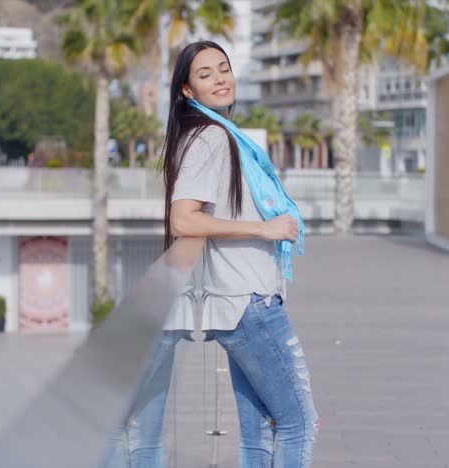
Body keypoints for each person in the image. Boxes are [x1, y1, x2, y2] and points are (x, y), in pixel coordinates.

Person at [164, 40, 320, 468]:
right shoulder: (211, 138)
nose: (219, 79)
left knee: (258, 433)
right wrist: (264, 228)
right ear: (187, 91)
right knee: (298, 425)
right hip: (250, 303)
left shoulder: (219, 135)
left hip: (236, 306)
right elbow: (184, 219)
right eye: (205, 74)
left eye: (224, 69)